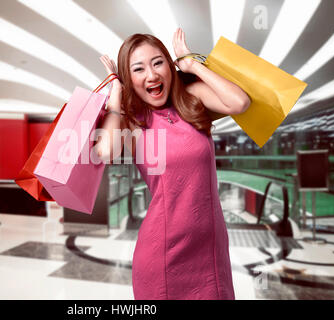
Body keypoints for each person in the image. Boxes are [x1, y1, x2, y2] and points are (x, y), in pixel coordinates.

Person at [96, 28, 250, 300]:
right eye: (138, 69)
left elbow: (239, 103)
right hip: (163, 254)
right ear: (129, 79)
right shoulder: (133, 120)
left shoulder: (192, 99)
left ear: (170, 65)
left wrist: (193, 65)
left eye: (158, 62)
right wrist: (116, 94)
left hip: (211, 250)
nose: (152, 75)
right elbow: (106, 152)